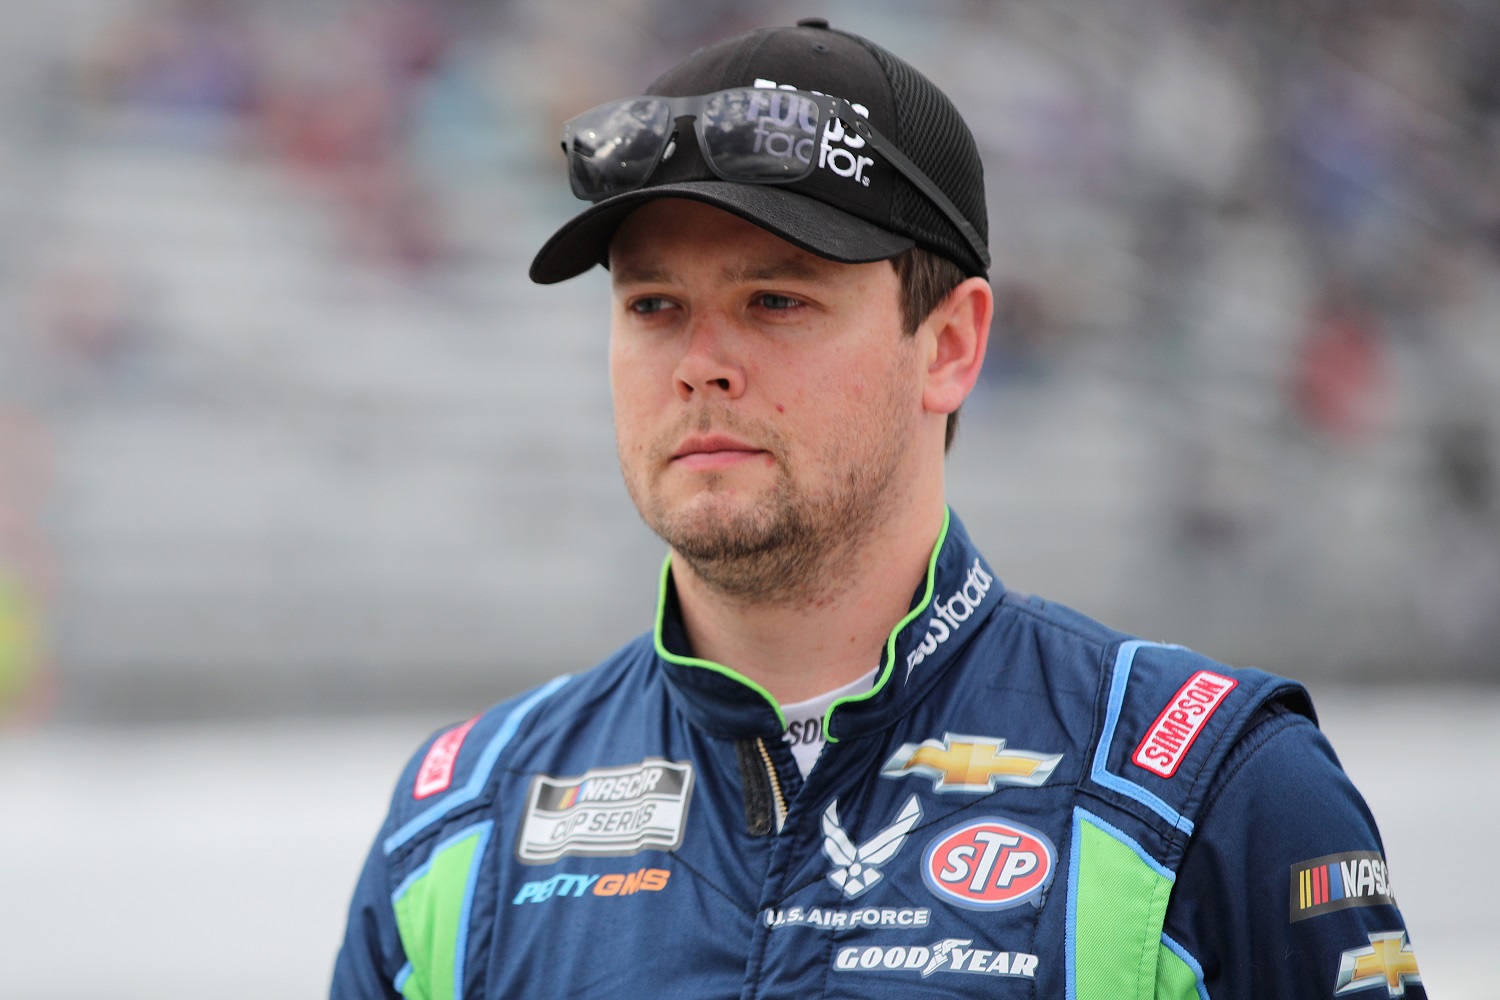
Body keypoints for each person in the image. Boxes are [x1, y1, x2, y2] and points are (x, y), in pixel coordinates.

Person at [332, 20, 1424, 999]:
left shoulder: (1212, 793)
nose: (700, 365)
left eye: (776, 300)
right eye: (654, 305)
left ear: (948, 346)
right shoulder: (461, 824)